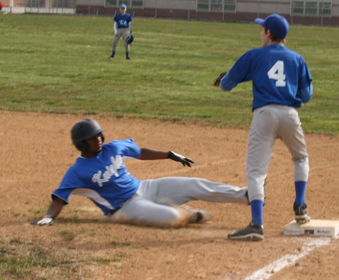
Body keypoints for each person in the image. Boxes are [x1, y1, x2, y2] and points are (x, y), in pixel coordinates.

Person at [32, 119, 250, 228]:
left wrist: (169, 154)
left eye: (98, 135)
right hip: (126, 207)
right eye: (92, 138)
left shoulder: (113, 148)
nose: (97, 139)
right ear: (81, 144)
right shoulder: (77, 171)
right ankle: (188, 214)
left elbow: (140, 152)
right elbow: (60, 197)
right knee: (174, 217)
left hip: (146, 187)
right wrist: (49, 217)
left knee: (194, 185)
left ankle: (245, 195)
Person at [216, 14, 313, 241]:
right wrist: (293, 98)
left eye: (262, 30)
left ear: (269, 33)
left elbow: (227, 85)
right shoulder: (297, 59)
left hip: (264, 115)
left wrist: (225, 80)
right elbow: (306, 96)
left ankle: (257, 224)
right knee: (300, 158)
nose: (260, 33)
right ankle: (300, 206)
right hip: (290, 115)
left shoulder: (254, 55)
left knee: (256, 171)